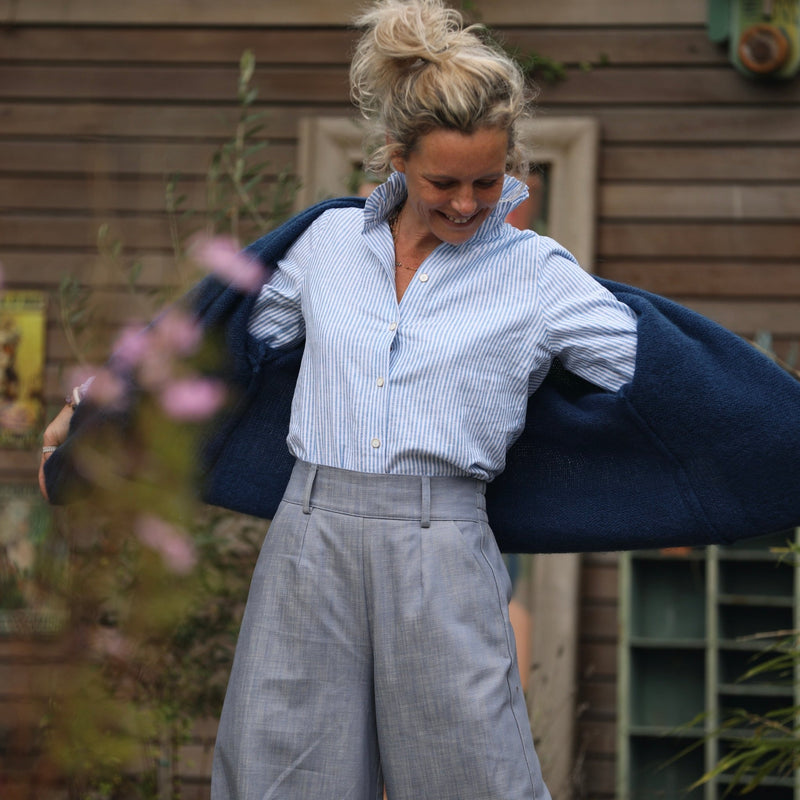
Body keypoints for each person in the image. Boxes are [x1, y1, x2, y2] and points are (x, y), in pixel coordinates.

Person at [39, 1, 800, 798]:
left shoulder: (539, 276)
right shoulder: (323, 248)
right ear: (396, 159)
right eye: (443, 181)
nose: (468, 203)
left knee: (471, 778)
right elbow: (206, 345)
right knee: (279, 771)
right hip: (310, 536)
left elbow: (665, 372)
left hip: (443, 547)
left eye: (488, 179)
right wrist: (95, 408)